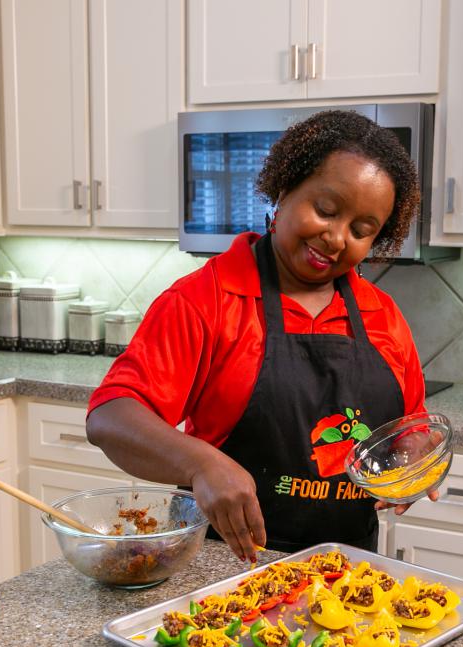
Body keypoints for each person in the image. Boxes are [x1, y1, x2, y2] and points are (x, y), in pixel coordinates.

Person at [86, 109, 430, 562]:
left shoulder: (380, 314)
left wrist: (417, 458)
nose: (336, 237)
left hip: (347, 573)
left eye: (362, 230)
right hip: (223, 567)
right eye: (325, 210)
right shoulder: (206, 299)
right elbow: (110, 417)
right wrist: (201, 463)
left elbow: (411, 425)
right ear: (284, 190)